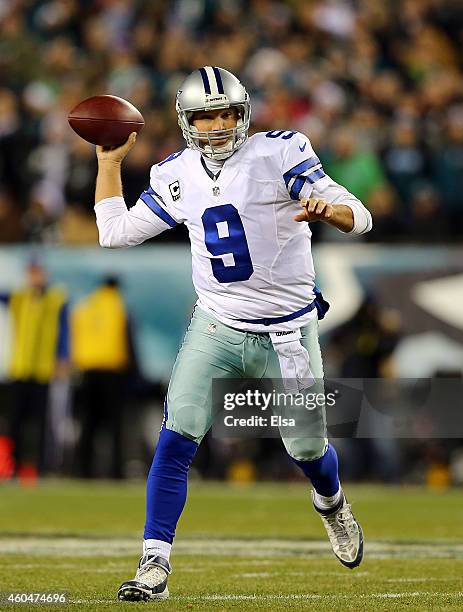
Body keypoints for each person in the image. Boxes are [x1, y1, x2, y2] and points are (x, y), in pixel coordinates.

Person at [92, 67, 372, 601]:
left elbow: (361, 216)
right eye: (205, 115)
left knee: (308, 449)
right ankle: (154, 563)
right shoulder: (175, 174)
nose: (218, 125)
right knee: (177, 438)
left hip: (287, 334)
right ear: (186, 121)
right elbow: (114, 233)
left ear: (244, 115)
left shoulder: (280, 153)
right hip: (216, 327)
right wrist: (108, 166)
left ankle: (332, 503)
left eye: (227, 114)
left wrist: (329, 212)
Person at [0, 260, 69, 477]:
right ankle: (13, 466)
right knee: (15, 423)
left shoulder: (55, 299)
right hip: (20, 369)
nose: (35, 278)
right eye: (32, 273)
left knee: (39, 423)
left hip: (42, 369)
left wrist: (62, 358)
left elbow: (63, 331)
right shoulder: (19, 297)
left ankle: (37, 468)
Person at [71, 276, 135, 479]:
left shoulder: (85, 307)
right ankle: (116, 470)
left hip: (87, 370)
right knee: (115, 425)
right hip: (112, 370)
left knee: (88, 423)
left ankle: (83, 470)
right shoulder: (118, 306)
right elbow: (128, 341)